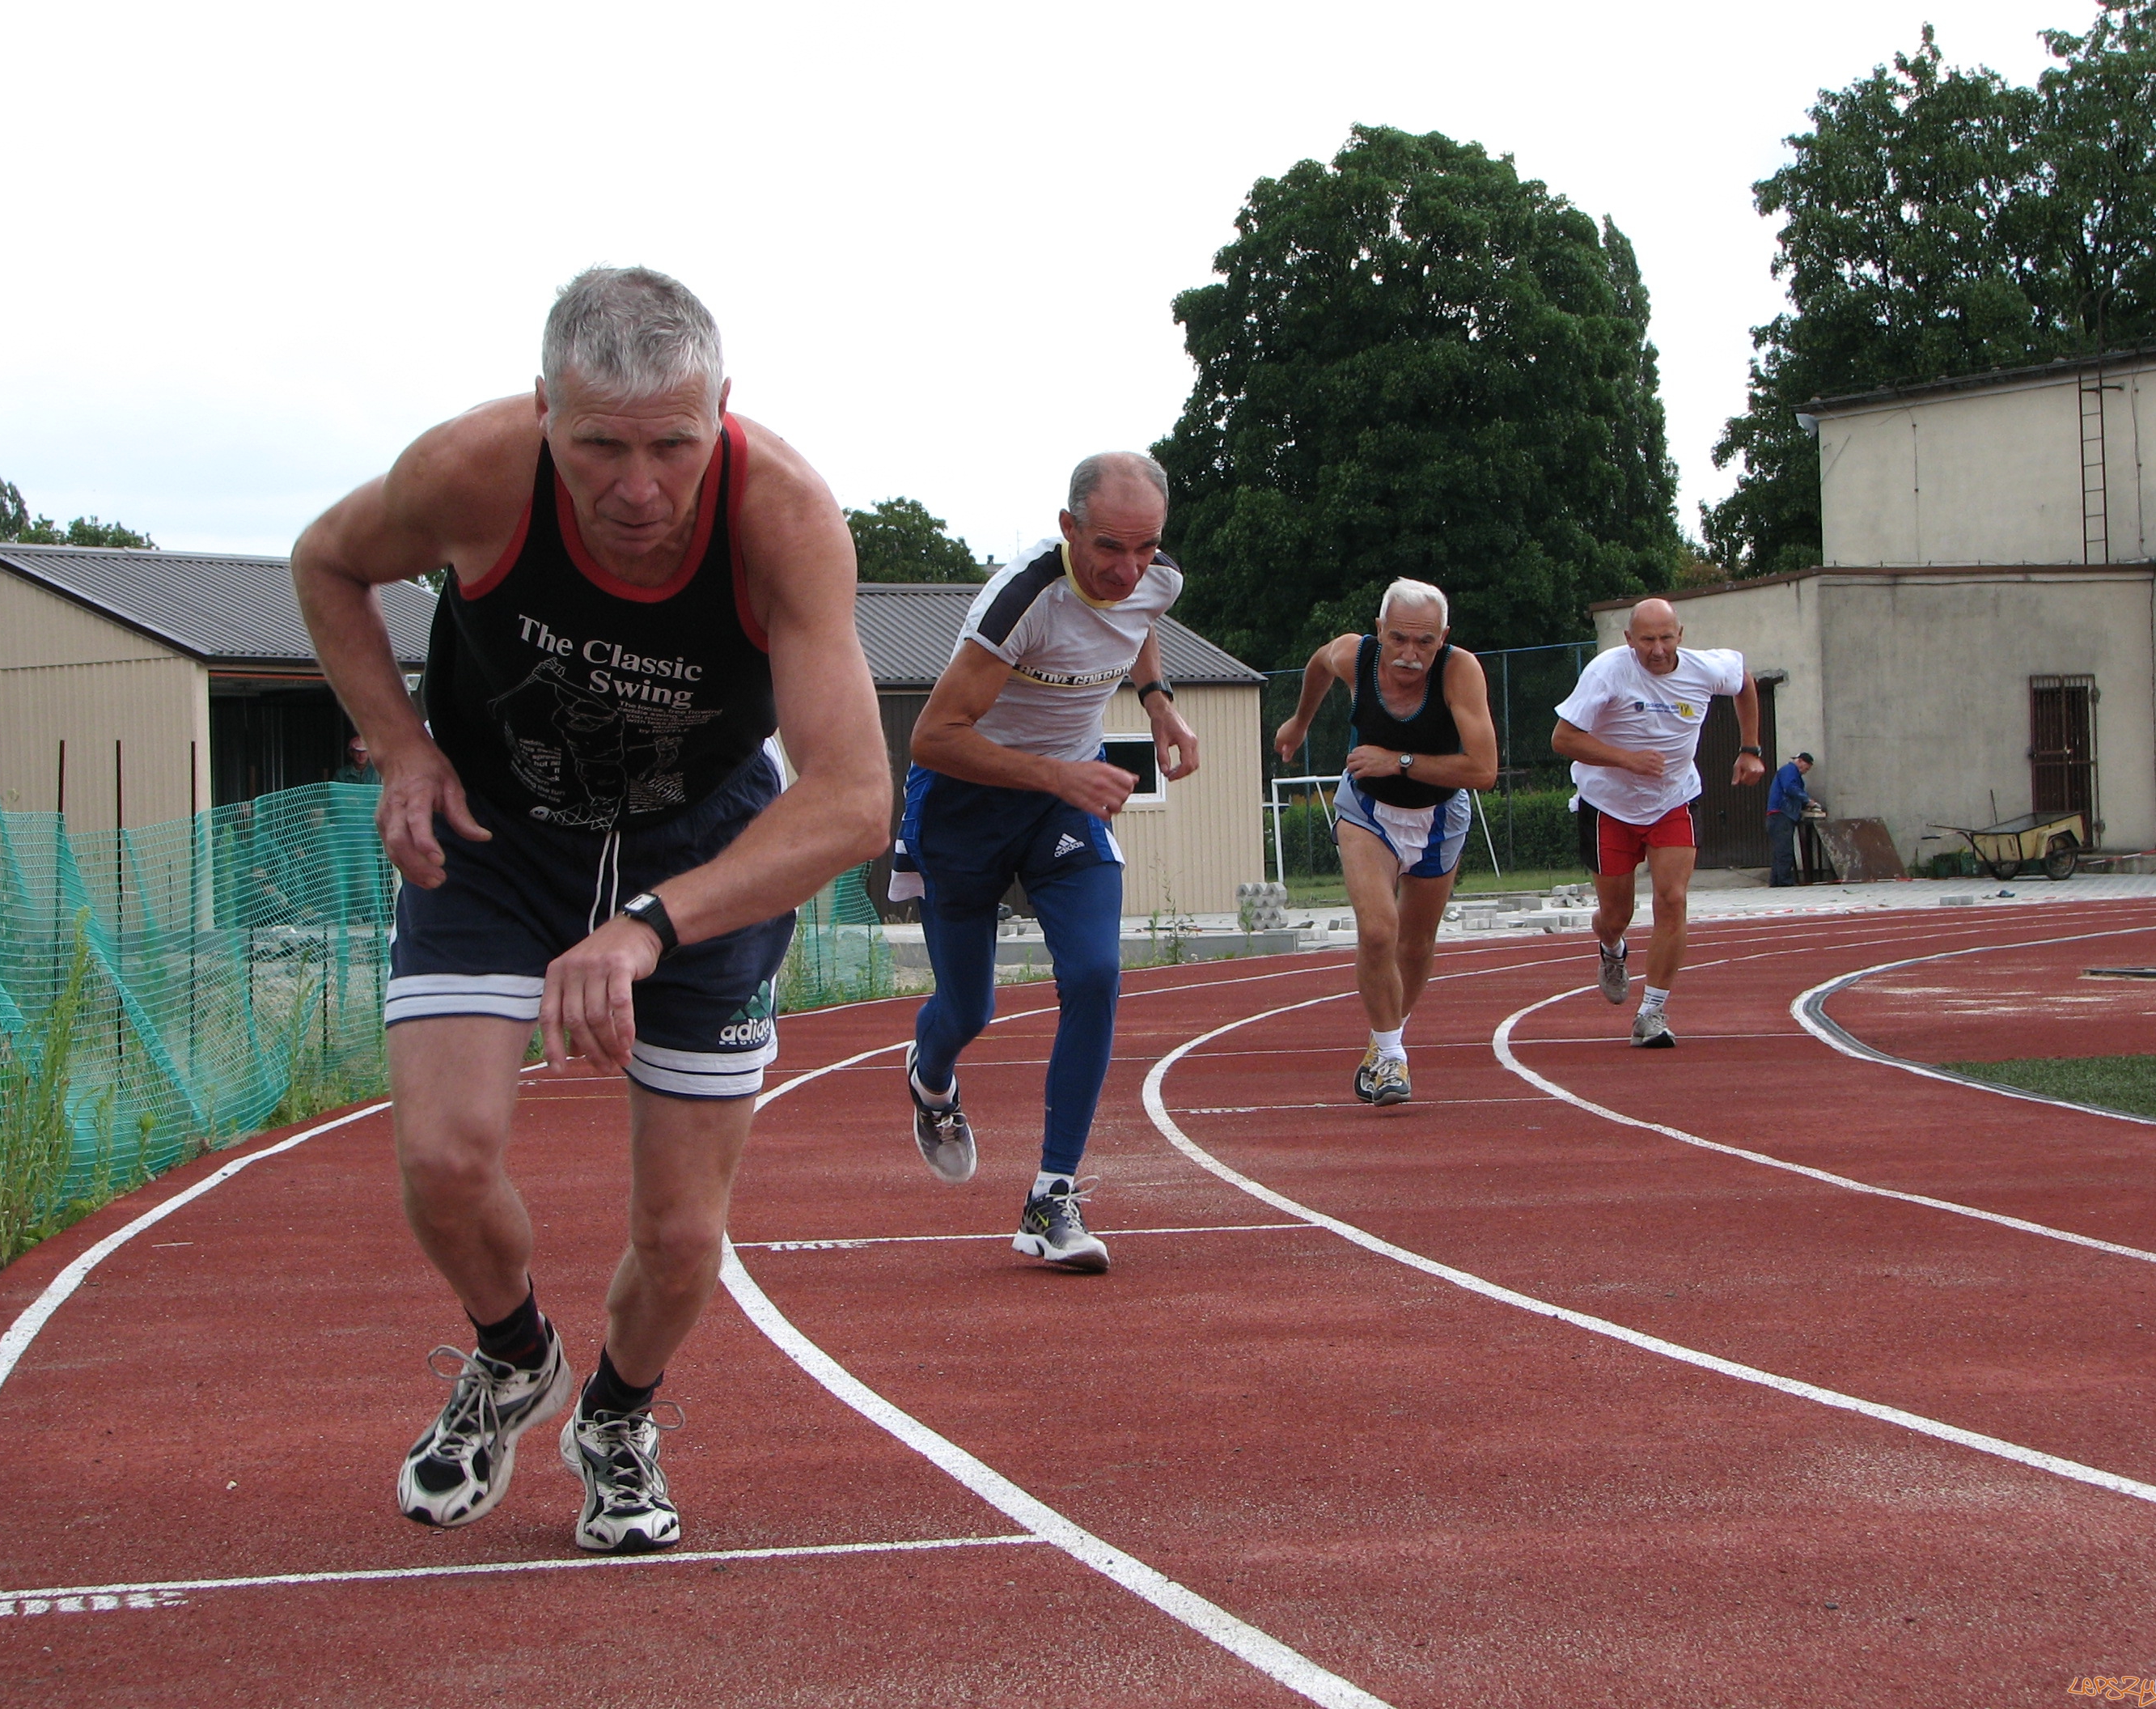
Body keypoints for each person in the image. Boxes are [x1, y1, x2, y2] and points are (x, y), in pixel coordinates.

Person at [292, 268, 889, 1554]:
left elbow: (852, 801)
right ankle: (514, 1359)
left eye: (673, 446)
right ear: (546, 412)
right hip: (500, 838)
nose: (636, 489)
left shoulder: (781, 515)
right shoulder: (474, 472)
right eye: (599, 447)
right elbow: (328, 562)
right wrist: (400, 744)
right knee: (444, 1161)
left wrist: (651, 926)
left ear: (721, 413)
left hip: (705, 847)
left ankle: (616, 1417)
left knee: (681, 1235)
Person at [890, 452, 1198, 1274]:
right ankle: (930, 1079)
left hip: (1065, 802)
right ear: (1066, 530)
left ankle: (1051, 1197)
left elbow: (1138, 625)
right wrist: (1056, 771)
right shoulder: (1021, 599)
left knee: (1096, 973)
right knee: (968, 1011)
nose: (1126, 570)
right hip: (964, 802)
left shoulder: (1152, 578)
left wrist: (1158, 704)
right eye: (1108, 548)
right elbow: (932, 736)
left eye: (1144, 548)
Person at [1272, 581, 1497, 1105]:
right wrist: (1299, 722)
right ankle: (1394, 1059)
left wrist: (1398, 761)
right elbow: (1319, 663)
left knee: (1415, 945)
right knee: (1377, 931)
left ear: (1444, 638)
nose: (1410, 655)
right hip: (1367, 811)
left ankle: (1381, 1041)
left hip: (1439, 814)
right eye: (1398, 639)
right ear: (1379, 632)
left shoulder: (1460, 671)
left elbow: (1484, 770)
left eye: (1425, 643)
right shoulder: (1357, 655)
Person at [1551, 598, 1764, 1047]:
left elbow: (1743, 679)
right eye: (1647, 639)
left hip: (1674, 800)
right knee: (1616, 915)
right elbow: (1563, 738)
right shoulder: (1608, 671)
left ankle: (1652, 1012)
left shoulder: (1705, 669)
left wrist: (1751, 748)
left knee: (1672, 899)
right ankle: (1612, 948)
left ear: (1680, 635)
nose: (1658, 649)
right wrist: (1626, 760)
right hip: (1608, 805)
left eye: (1666, 638)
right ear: (1630, 641)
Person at [1766, 752, 1818, 886]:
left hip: (1778, 815)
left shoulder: (1790, 773)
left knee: (1780, 851)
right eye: (1806, 768)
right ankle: (1784, 882)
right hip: (1781, 815)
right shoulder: (1789, 770)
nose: (1805, 771)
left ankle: (1776, 882)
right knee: (1785, 851)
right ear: (1800, 761)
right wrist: (1807, 800)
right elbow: (1790, 788)